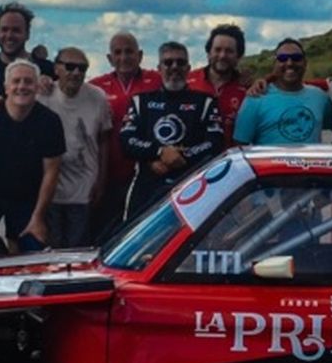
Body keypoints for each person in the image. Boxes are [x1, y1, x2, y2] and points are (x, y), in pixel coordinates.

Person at [0, 60, 65, 252]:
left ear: (37, 87)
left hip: (27, 197)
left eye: (28, 82)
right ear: (6, 87)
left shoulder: (50, 121)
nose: (22, 87)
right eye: (16, 81)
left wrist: (38, 217)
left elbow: (51, 173)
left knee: (34, 246)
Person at [120, 42, 224, 219]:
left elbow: (215, 142)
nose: (174, 67)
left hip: (191, 185)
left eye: (180, 63)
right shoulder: (140, 101)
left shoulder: (206, 102)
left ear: (188, 68)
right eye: (168, 63)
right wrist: (158, 153)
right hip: (147, 184)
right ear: (159, 68)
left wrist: (182, 158)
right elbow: (126, 140)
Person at [90, 31, 163, 237]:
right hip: (108, 172)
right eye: (118, 52)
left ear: (140, 55)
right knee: (106, 230)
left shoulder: (157, 80)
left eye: (129, 51)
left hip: (146, 171)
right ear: (109, 58)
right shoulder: (95, 87)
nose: (124, 57)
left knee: (142, 229)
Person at [40, 47, 112, 247]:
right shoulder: (42, 95)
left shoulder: (98, 97)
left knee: (78, 247)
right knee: (52, 247)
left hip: (84, 189)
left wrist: (101, 180)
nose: (76, 73)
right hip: (49, 189)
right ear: (57, 68)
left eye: (82, 68)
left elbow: (104, 139)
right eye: (70, 67)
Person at [233, 38, 332, 146]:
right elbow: (239, 146)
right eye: (283, 58)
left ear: (305, 63)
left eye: (296, 58)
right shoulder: (255, 98)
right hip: (270, 163)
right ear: (275, 64)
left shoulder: (320, 97)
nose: (289, 63)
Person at [187, 24, 250, 145]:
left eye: (229, 51)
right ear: (208, 52)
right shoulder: (188, 82)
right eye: (217, 49)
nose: (222, 56)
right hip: (190, 160)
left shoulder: (248, 91)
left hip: (230, 161)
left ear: (239, 56)